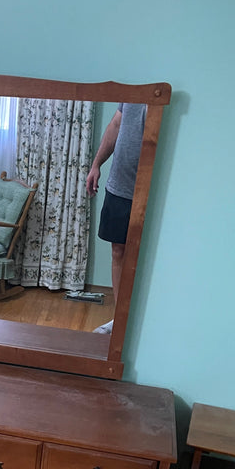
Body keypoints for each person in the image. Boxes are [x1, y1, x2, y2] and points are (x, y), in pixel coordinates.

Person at [86, 103, 146, 333]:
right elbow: (116, 123)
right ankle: (120, 320)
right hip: (120, 186)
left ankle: (141, 321)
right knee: (118, 251)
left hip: (151, 187)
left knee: (145, 255)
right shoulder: (132, 88)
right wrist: (96, 164)